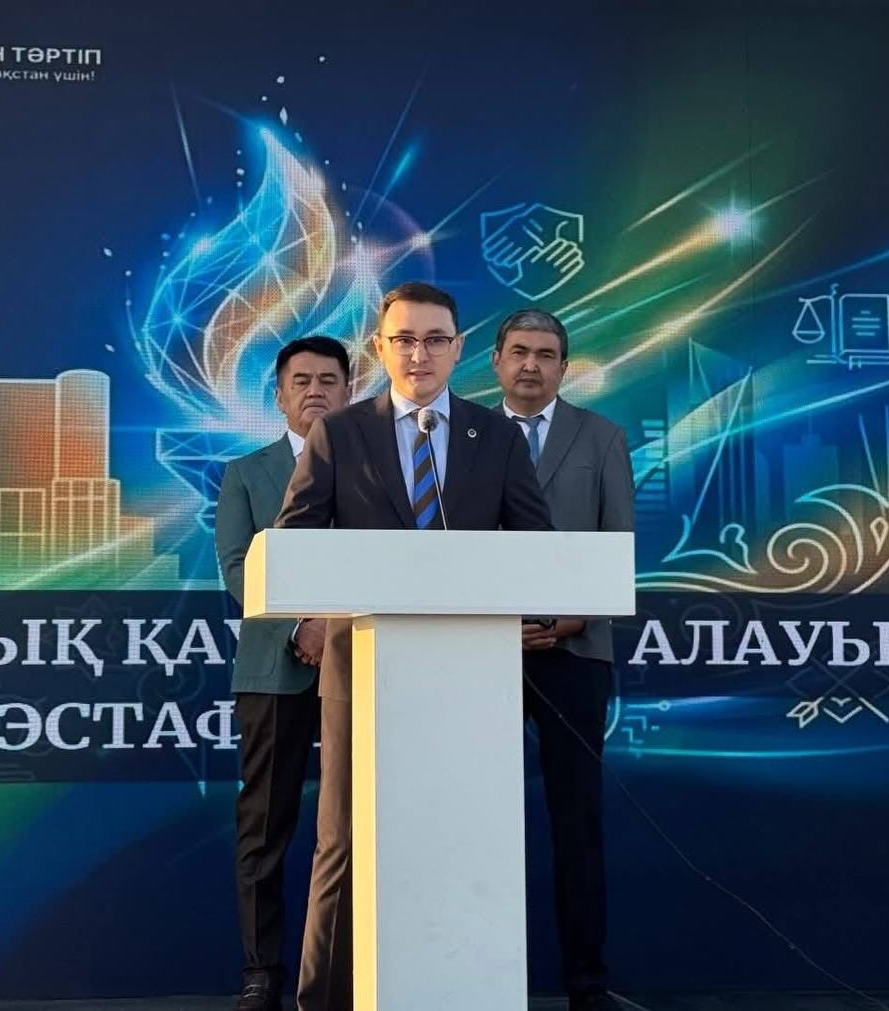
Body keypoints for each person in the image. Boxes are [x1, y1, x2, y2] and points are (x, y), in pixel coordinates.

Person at [276, 282, 553, 1011]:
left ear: (458, 349)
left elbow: (536, 545)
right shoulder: (341, 433)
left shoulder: (496, 437)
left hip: (471, 676)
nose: (419, 353)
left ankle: (461, 987)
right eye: (403, 339)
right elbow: (295, 542)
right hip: (361, 671)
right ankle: (323, 1000)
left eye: (434, 339)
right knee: (344, 840)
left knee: (462, 833)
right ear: (380, 347)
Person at [491, 308, 634, 1011]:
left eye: (545, 354)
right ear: (495, 361)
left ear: (563, 367)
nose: (531, 365)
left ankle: (587, 983)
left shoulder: (601, 437)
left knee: (576, 820)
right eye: (519, 351)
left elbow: (617, 544)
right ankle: (475, 977)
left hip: (575, 651)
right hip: (475, 653)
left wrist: (572, 617)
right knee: (472, 818)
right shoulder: (459, 435)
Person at [215, 335, 352, 1011]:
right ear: (279, 395)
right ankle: (260, 974)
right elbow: (238, 569)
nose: (315, 391)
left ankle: (351, 969)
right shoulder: (246, 473)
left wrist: (336, 625)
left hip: (364, 665)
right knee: (265, 825)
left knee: (361, 823)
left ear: (349, 392)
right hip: (275, 667)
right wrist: (302, 625)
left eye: (329, 380)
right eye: (302, 380)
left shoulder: (377, 470)